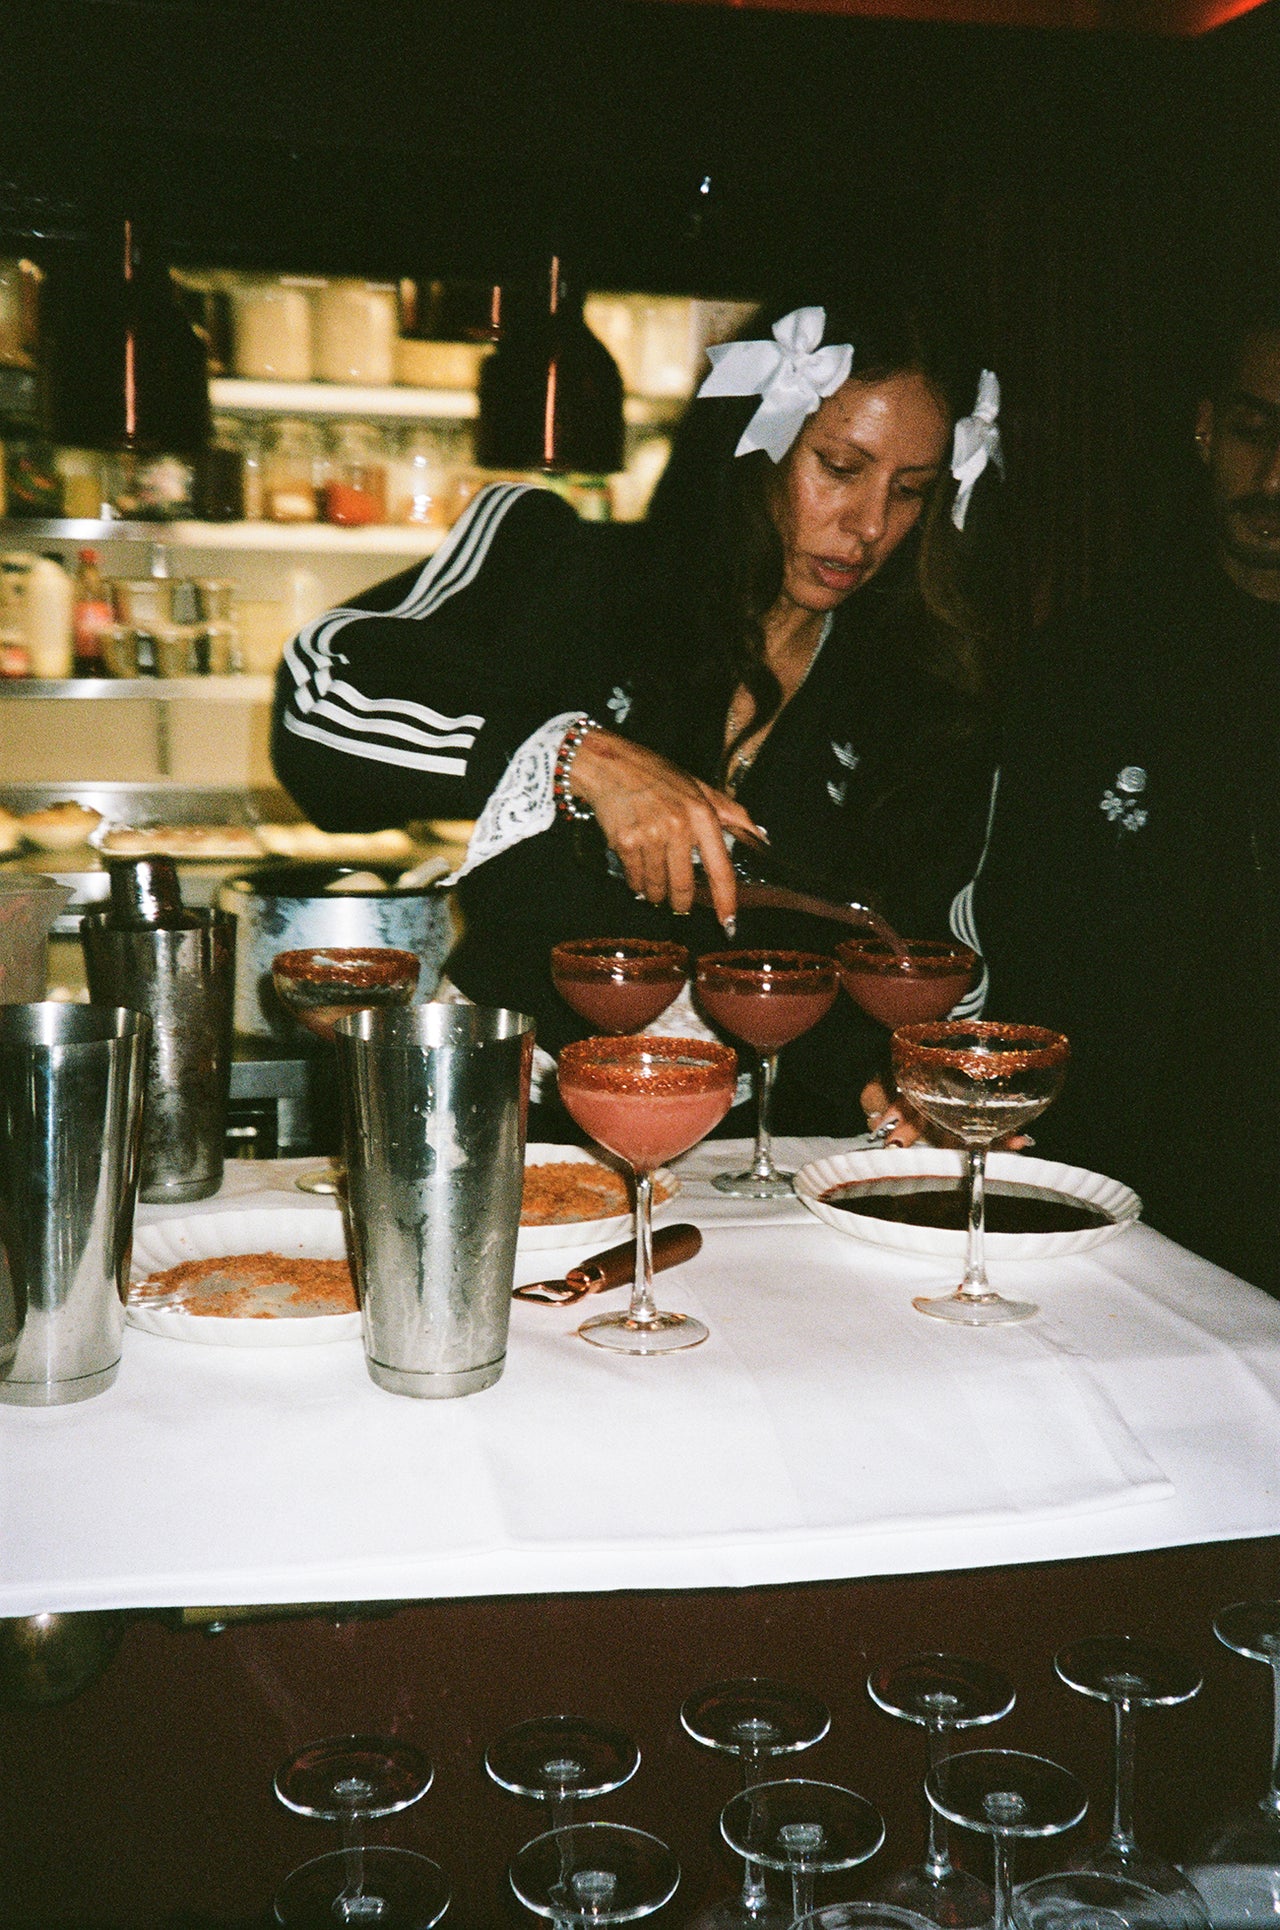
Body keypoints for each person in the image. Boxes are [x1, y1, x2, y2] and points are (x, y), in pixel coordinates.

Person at [271, 292, 1004, 1133]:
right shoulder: (571, 576)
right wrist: (574, 755)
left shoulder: (917, 698)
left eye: (909, 491)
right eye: (839, 468)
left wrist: (895, 1079)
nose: (869, 525)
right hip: (497, 1119)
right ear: (752, 446)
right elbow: (317, 704)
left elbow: (928, 951)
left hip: (749, 1152)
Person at [868, 292, 1280, 1291]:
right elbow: (990, 921)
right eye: (1252, 430)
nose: (1273, 477)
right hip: (1112, 1211)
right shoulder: (1090, 666)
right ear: (1203, 428)